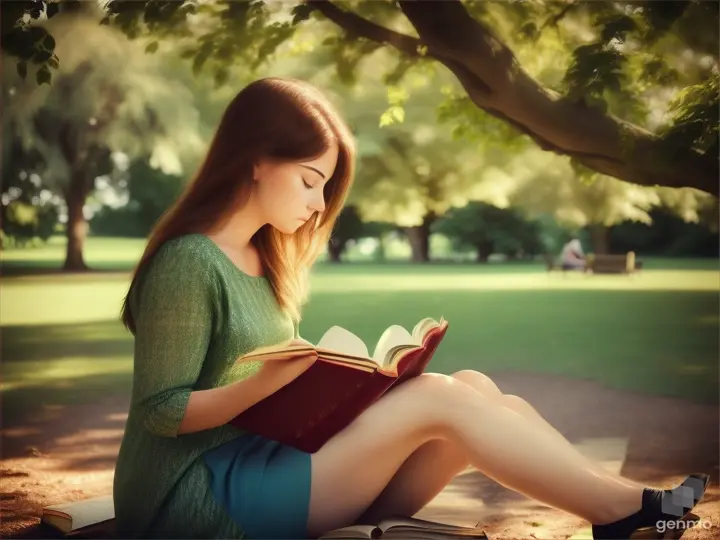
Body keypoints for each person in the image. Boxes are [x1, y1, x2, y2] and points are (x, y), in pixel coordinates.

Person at [112, 78, 709, 540]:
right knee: (437, 400)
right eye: (310, 180)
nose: (320, 205)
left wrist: (351, 394)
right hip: (197, 498)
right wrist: (266, 384)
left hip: (267, 465)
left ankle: (626, 500)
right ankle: (623, 514)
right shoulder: (190, 261)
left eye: (326, 187)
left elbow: (270, 398)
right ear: (256, 160)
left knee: (469, 387)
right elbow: (162, 412)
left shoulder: (261, 258)